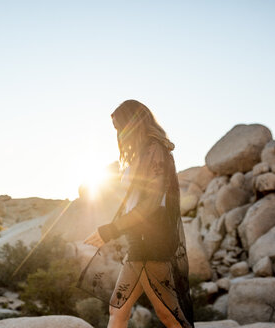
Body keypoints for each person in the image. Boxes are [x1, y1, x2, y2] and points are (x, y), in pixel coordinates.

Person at [79, 100, 194, 328]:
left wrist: (110, 230)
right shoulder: (143, 153)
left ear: (133, 123)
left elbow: (150, 203)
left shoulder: (154, 151)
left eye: (119, 126)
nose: (119, 133)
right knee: (118, 309)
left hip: (150, 241)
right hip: (138, 242)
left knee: (168, 314)